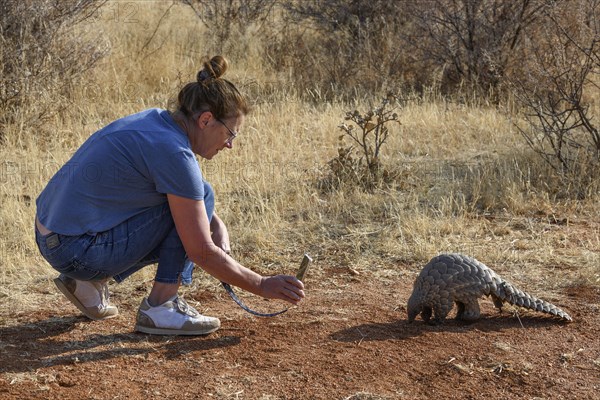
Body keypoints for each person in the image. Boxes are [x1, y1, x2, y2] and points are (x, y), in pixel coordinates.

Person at [34, 55, 305, 335]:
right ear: (206, 119)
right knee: (198, 197)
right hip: (74, 250)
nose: (229, 145)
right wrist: (261, 284)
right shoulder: (175, 153)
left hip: (52, 237)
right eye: (230, 134)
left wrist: (217, 224)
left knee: (201, 194)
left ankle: (87, 283)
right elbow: (200, 251)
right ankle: (161, 306)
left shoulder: (156, 122)